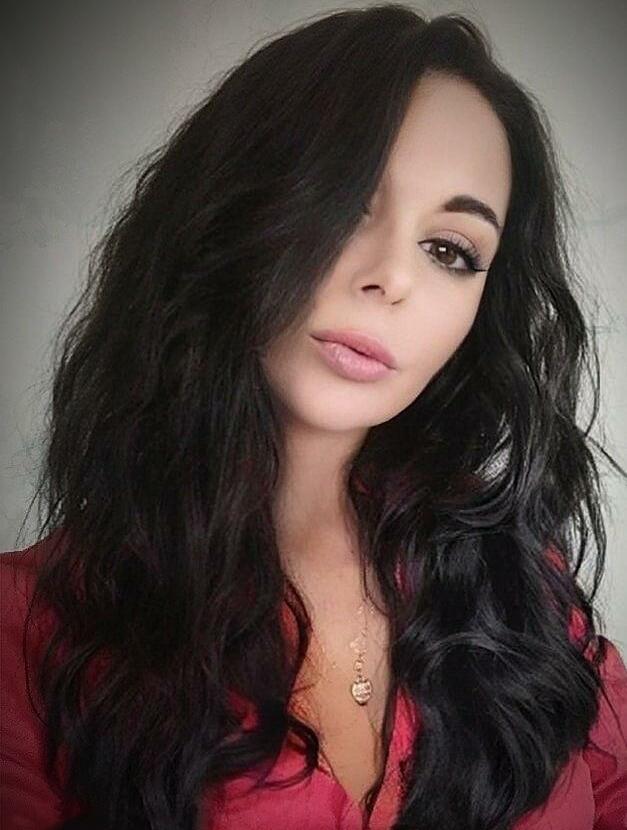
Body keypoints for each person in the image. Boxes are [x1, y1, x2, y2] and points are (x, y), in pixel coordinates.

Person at [1, 4, 626, 829]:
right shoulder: (27, 633)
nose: (390, 278)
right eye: (348, 204)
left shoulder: (518, 579)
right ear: (229, 212)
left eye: (450, 250)